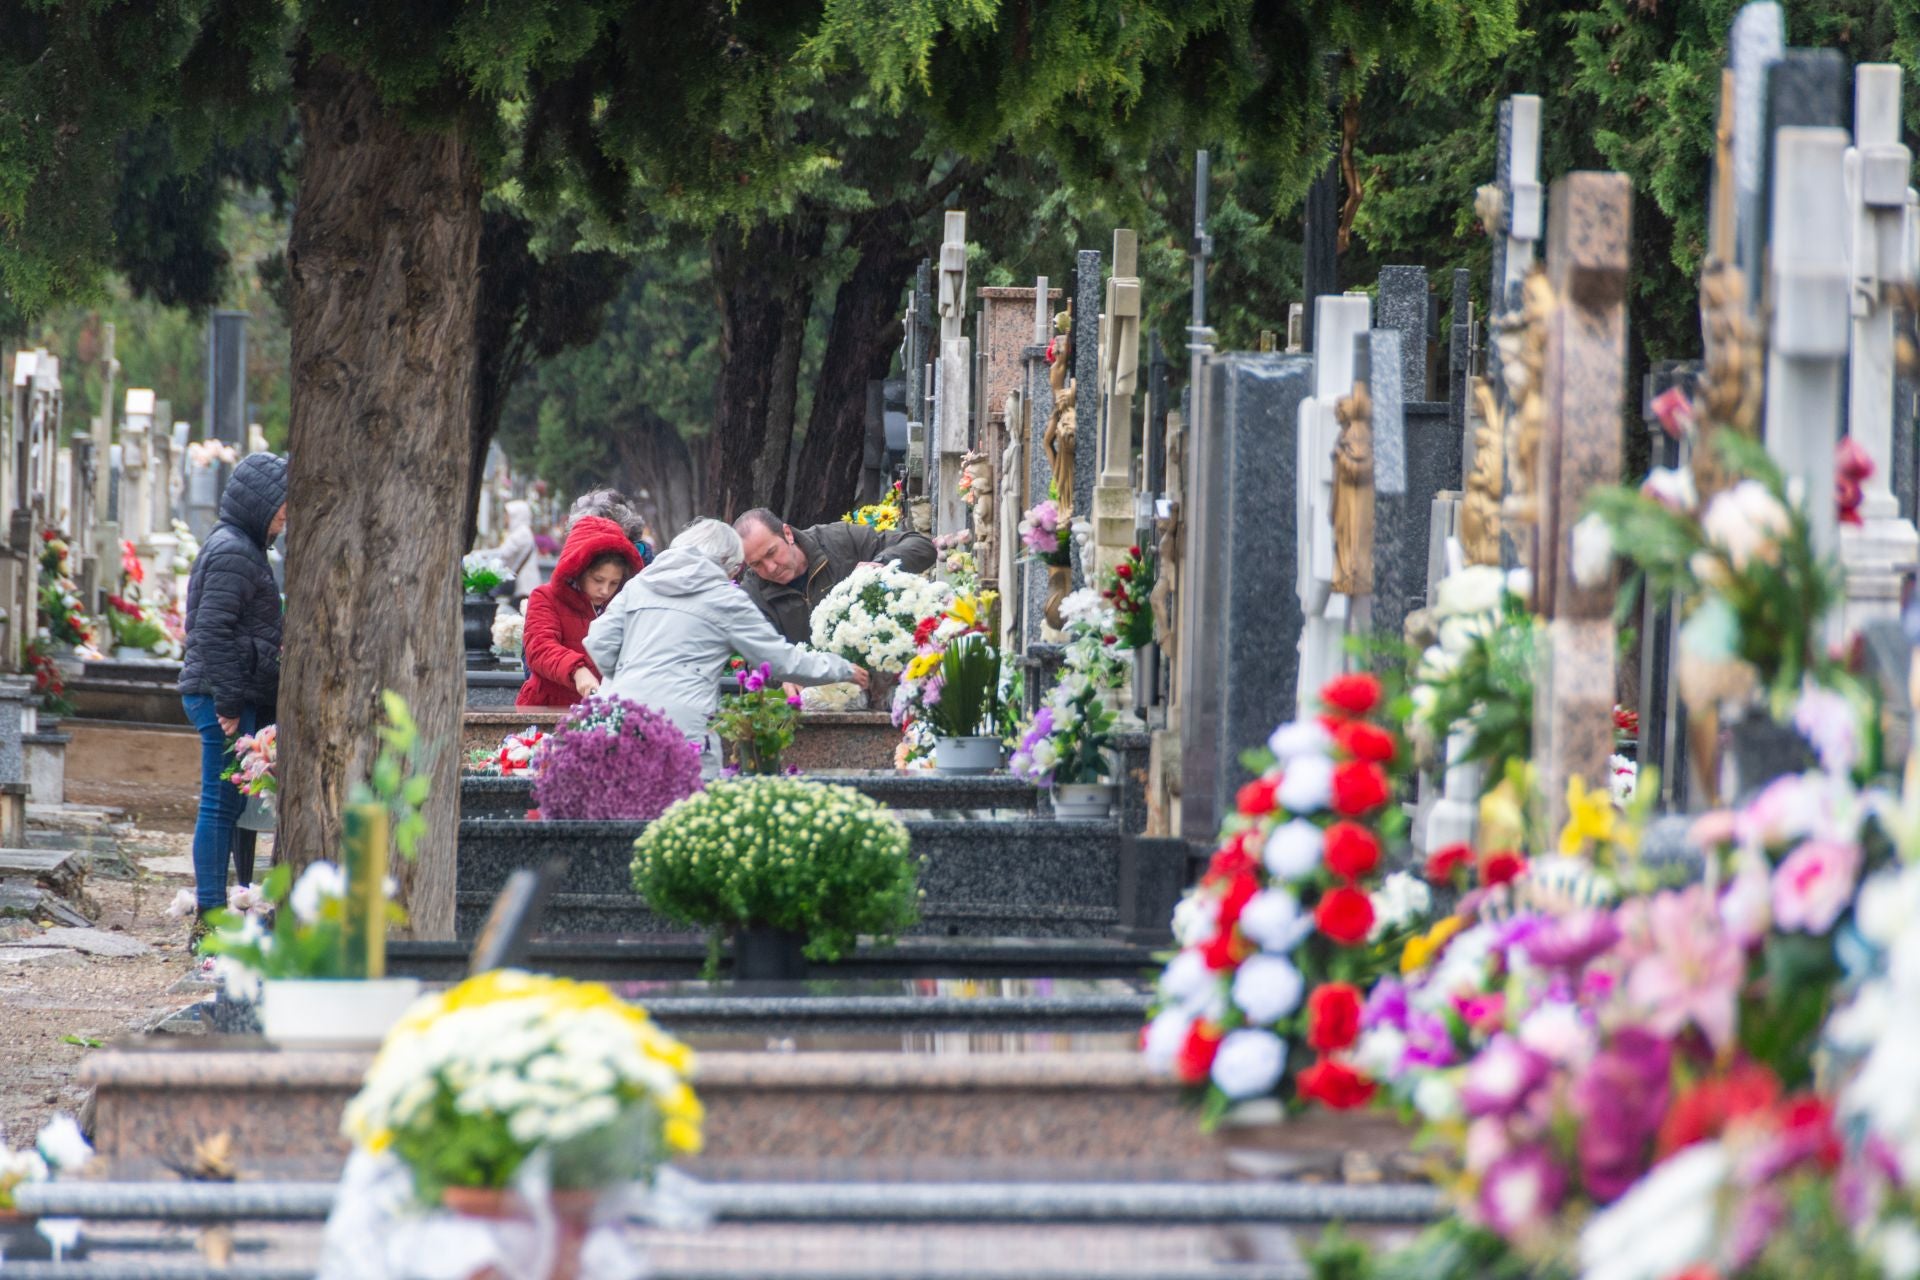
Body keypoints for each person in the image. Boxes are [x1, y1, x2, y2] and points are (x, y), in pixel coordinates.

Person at [585, 519, 867, 770]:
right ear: (730, 566)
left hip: (616, 715)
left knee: (622, 817)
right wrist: (841, 668)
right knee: (689, 816)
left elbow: (598, 640)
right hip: (682, 727)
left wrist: (629, 675)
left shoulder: (639, 585)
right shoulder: (724, 598)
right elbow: (780, 661)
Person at [178, 452, 288, 933]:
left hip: (232, 690)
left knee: (230, 803)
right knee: (219, 803)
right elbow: (211, 629)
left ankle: (228, 905)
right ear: (260, 505)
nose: (285, 520)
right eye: (282, 510)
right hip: (221, 695)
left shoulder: (243, 547)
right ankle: (209, 917)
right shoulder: (234, 552)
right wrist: (227, 702)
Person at [733, 507, 937, 644]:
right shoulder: (752, 594)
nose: (770, 568)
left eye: (771, 553)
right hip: (808, 695)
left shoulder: (840, 540)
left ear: (787, 533)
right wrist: (785, 677)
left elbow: (921, 546)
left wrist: (882, 565)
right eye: (756, 564)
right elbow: (761, 658)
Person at [516, 516, 643, 708]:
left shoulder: (621, 605)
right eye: (598, 580)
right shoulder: (545, 597)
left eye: (614, 583)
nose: (605, 590)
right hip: (547, 707)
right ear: (578, 570)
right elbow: (540, 648)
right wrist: (578, 670)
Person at [481, 499, 541, 602]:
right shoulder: (522, 531)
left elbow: (503, 553)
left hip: (525, 586)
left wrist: (479, 555)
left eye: (507, 515)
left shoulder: (521, 533)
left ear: (517, 515)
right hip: (524, 586)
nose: (505, 518)